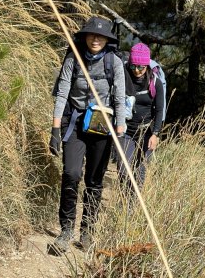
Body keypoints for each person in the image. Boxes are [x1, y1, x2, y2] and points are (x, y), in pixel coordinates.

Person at [48, 17, 125, 253]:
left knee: (94, 181)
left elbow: (120, 99)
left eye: (101, 36)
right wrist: (55, 128)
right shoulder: (73, 59)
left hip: (102, 128)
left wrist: (119, 132)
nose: (95, 39)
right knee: (71, 173)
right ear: (85, 37)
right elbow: (62, 94)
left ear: (107, 40)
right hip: (75, 123)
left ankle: (88, 231)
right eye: (92, 35)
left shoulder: (115, 63)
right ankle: (66, 229)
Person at [117, 43, 165, 197]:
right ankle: (125, 201)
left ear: (147, 66)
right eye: (133, 67)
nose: (137, 71)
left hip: (146, 132)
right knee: (124, 170)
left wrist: (155, 134)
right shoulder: (122, 77)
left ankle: (131, 208)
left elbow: (159, 110)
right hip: (125, 130)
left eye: (141, 67)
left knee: (140, 174)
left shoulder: (155, 82)